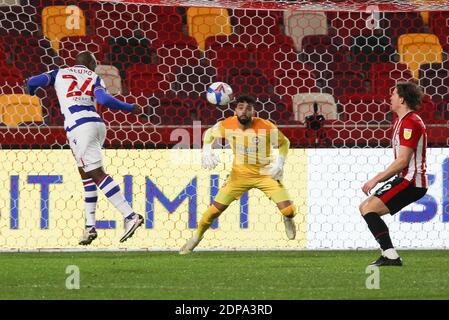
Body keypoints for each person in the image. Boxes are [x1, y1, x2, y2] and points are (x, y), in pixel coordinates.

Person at [26, 51, 144, 245]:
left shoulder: (59, 73)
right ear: (91, 64)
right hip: (96, 125)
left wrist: (30, 92)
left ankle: (130, 215)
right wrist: (130, 108)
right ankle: (90, 227)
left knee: (97, 173)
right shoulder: (94, 76)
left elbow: (32, 81)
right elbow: (104, 101)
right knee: (86, 174)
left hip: (79, 127)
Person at [180, 95, 297, 254]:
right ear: (235, 110)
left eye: (248, 109)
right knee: (214, 211)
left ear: (253, 112)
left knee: (288, 210)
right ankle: (195, 239)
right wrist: (206, 151)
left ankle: (288, 219)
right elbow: (209, 133)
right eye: (241, 108)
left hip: (265, 174)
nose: (244, 111)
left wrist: (280, 163)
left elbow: (285, 143)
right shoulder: (227, 124)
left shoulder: (266, 126)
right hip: (238, 177)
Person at [360, 82, 427, 266]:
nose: (390, 97)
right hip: (406, 178)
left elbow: (403, 161)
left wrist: (376, 179)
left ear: (402, 99)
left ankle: (391, 256)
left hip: (411, 180)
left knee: (368, 208)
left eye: (393, 94)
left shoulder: (410, 123)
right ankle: (389, 255)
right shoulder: (402, 120)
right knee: (366, 207)